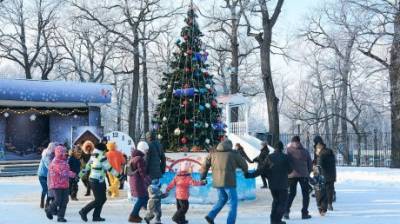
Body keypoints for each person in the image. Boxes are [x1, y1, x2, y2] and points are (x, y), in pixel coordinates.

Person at [201, 139, 248, 224]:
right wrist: (244, 170)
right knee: (233, 203)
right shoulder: (233, 154)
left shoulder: (213, 153)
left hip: (217, 182)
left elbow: (205, 166)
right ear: (230, 145)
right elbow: (244, 165)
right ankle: (230, 222)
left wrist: (203, 178)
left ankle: (210, 216)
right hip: (229, 182)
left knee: (222, 199)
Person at [245, 141, 292, 224]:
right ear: (282, 148)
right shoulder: (286, 157)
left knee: (275, 201)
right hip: (283, 184)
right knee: (282, 203)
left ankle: (273, 220)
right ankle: (277, 220)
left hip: (272, 184)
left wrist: (250, 175)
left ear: (274, 148)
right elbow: (290, 170)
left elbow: (261, 169)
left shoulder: (269, 157)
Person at [79, 143, 123, 222]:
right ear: (102, 150)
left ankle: (96, 216)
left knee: (102, 199)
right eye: (105, 150)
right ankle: (83, 211)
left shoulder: (93, 156)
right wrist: (119, 176)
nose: (105, 152)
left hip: (96, 180)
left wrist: (79, 175)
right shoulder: (101, 157)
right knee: (99, 199)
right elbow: (109, 169)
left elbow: (87, 167)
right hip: (97, 181)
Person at [284, 136, 313, 220]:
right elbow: (310, 164)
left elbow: (285, 162)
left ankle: (286, 211)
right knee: (304, 194)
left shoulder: (288, 151)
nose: (296, 144)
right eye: (295, 142)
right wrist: (308, 172)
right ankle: (304, 213)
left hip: (293, 175)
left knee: (292, 194)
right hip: (301, 175)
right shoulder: (305, 151)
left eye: (295, 142)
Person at [45, 145, 76, 222]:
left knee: (65, 200)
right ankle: (49, 209)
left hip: (65, 184)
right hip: (56, 185)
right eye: (62, 152)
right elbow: (62, 172)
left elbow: (66, 171)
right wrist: (73, 174)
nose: (65, 154)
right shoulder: (55, 162)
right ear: (58, 153)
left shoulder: (64, 161)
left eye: (65, 152)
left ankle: (60, 217)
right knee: (58, 200)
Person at [128, 141, 151, 223]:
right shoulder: (139, 159)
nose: (147, 151)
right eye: (146, 149)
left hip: (135, 181)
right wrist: (149, 181)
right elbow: (142, 173)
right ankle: (133, 215)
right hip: (138, 182)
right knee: (142, 198)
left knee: (144, 197)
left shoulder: (134, 157)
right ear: (142, 149)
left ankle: (137, 214)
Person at [313, 136, 336, 211]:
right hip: (332, 173)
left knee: (321, 189)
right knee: (330, 188)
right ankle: (330, 204)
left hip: (324, 173)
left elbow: (318, 163)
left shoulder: (320, 153)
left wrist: (315, 171)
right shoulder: (330, 151)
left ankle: (322, 204)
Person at [37, 142, 57, 209]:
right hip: (42, 174)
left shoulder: (53, 154)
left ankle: (47, 203)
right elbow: (48, 165)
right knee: (45, 189)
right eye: (54, 148)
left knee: (50, 189)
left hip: (49, 175)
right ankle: (42, 202)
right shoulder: (46, 154)